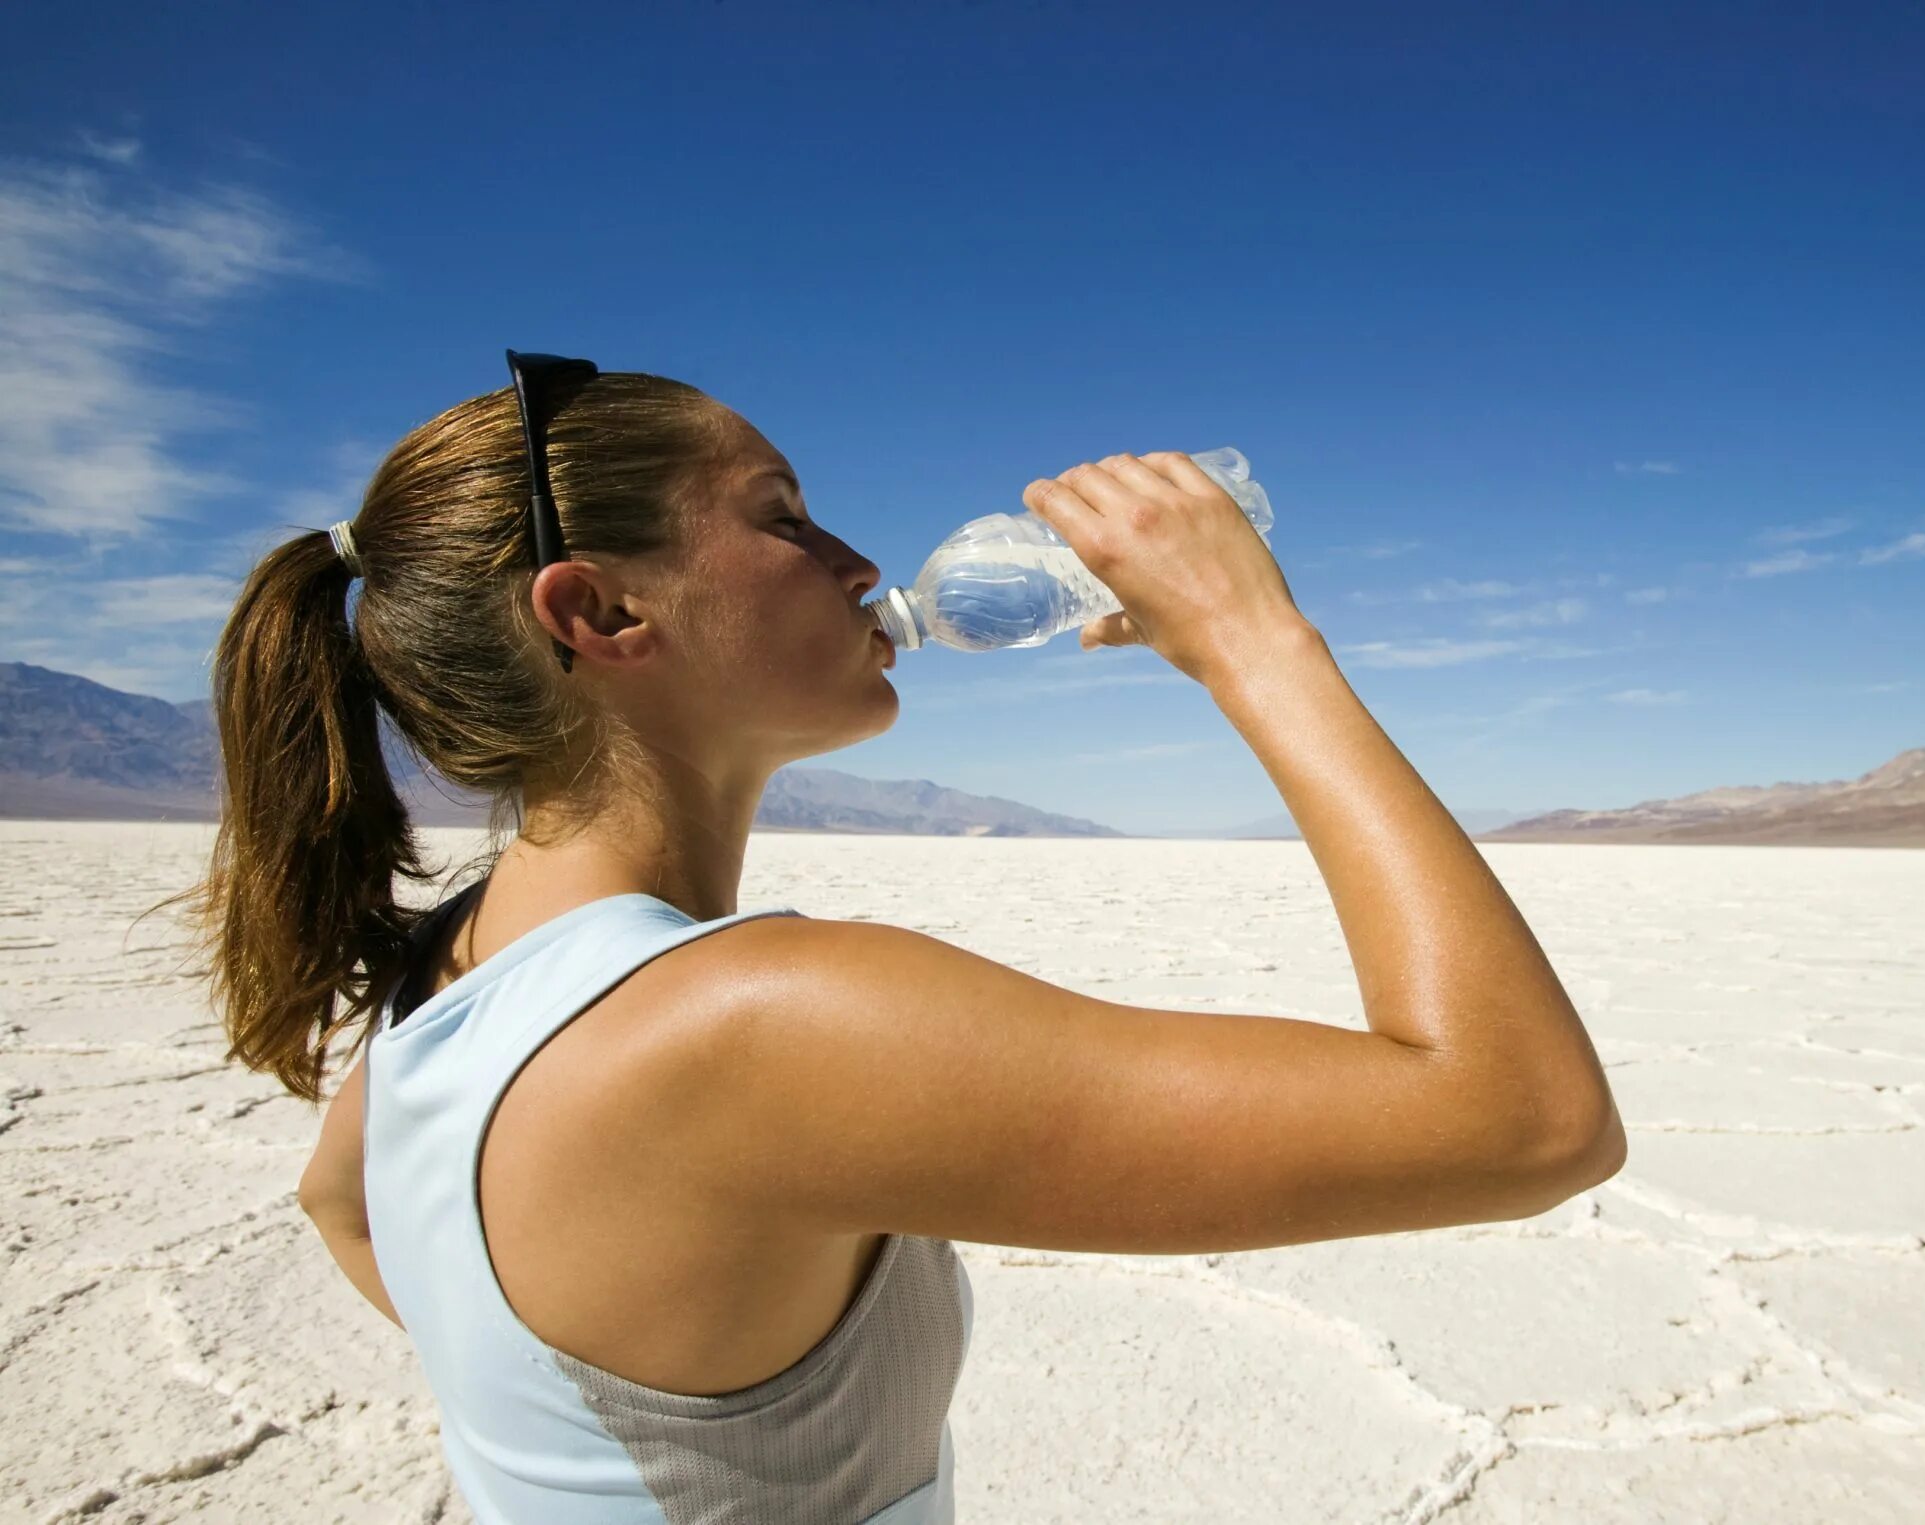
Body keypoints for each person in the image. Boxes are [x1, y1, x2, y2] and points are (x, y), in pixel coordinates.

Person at [170, 349, 1626, 1524]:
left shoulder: (465, 970)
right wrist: (1255, 641)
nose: (861, 559)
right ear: (601, 609)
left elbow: (342, 1198)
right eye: (785, 516)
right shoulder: (752, 1021)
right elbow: (1525, 1117)